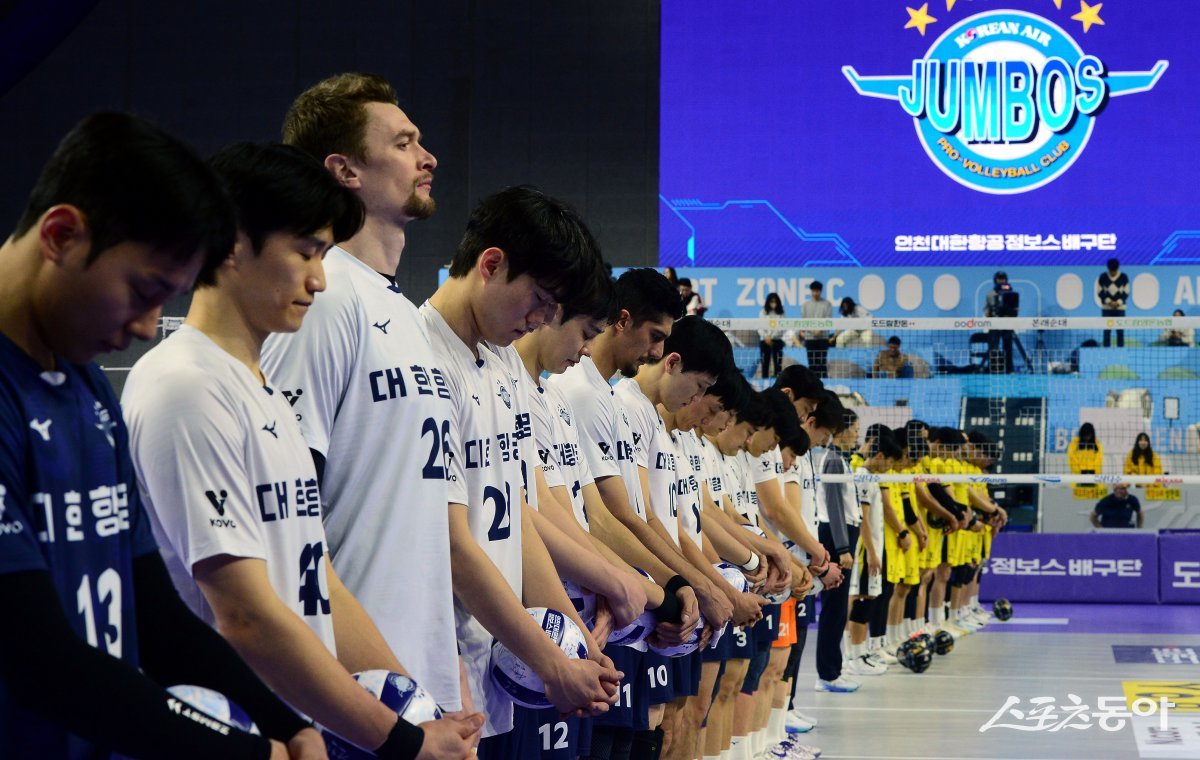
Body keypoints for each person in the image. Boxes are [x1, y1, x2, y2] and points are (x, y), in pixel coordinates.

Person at [124, 142, 481, 759]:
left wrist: (421, 712)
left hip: (303, 729)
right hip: (240, 732)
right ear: (232, 245)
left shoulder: (262, 392)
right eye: (305, 252)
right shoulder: (186, 387)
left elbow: (317, 581)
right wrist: (401, 740)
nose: (319, 279)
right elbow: (244, 616)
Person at [0, 113, 321, 758]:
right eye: (144, 291)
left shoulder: (84, 380)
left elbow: (153, 608)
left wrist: (288, 725)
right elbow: (37, 658)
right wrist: (247, 751)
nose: (149, 327)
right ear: (61, 235)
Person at [420, 187, 621, 753]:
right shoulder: (420, 360)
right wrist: (551, 661)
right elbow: (449, 544)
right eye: (540, 301)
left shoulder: (505, 361)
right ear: (491, 265)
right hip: (440, 671)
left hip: (503, 664)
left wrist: (576, 645)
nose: (540, 321)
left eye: (554, 313)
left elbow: (517, 519)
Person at [983, 271, 1016, 373]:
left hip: (1007, 324)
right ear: (995, 280)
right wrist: (990, 313)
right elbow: (986, 310)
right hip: (994, 324)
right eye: (999, 279)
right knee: (993, 347)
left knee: (1008, 347)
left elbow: (1015, 309)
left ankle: (1009, 369)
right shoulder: (990, 294)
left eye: (1003, 279)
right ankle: (993, 368)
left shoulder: (1011, 294)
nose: (1001, 281)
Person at [799, 281, 833, 377]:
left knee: (822, 363)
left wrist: (820, 329)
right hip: (810, 338)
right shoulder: (805, 305)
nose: (815, 293)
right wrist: (804, 331)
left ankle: (824, 383)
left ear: (821, 291)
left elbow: (828, 319)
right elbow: (803, 320)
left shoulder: (827, 304)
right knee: (812, 363)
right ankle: (811, 383)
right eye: (813, 291)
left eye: (817, 291)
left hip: (823, 338)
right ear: (811, 291)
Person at [1097, 258, 1128, 348]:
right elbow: (1099, 292)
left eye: (1114, 271)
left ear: (1117, 268)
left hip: (1120, 309)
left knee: (1120, 331)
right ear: (1108, 269)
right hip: (1107, 309)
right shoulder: (1103, 277)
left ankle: (1121, 351)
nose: (1113, 273)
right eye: (1111, 271)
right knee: (1107, 331)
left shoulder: (1123, 277)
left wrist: (1118, 303)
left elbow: (1126, 292)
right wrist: (1109, 302)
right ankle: (1106, 351)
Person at [758, 291, 786, 379]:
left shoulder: (781, 313)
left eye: (775, 301)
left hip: (777, 340)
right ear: (768, 302)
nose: (773, 303)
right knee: (765, 362)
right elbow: (759, 327)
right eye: (771, 301)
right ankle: (764, 379)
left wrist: (772, 337)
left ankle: (777, 379)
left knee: (777, 362)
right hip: (764, 340)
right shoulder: (763, 312)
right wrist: (766, 337)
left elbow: (781, 328)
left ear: (778, 302)